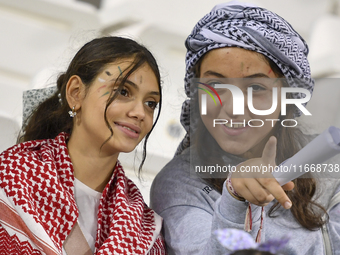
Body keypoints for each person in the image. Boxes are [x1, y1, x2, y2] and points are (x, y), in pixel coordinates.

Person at [150, 2, 340, 255]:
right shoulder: (180, 183)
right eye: (216, 85)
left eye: (256, 88)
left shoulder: (327, 163)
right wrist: (234, 199)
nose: (233, 109)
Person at [0, 36, 166, 254]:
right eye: (123, 92)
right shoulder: (12, 176)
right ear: (76, 92)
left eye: (150, 103)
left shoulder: (144, 228)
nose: (140, 113)